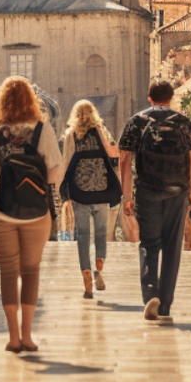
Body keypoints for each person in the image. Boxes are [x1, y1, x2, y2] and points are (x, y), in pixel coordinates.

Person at [0, 76, 63, 352]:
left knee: (9, 272)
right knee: (31, 270)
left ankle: (12, 337)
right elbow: (56, 168)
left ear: (1, 100)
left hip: (0, 209)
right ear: (31, 100)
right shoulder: (42, 128)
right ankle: (27, 336)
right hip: (36, 209)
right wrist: (46, 193)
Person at [118, 80, 191, 325]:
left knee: (149, 243)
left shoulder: (136, 122)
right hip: (177, 192)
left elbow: (125, 162)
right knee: (173, 246)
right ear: (171, 97)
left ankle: (150, 294)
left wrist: (127, 196)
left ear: (149, 97)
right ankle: (165, 302)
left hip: (147, 191)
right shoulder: (184, 123)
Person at [59, 100, 120, 299]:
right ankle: (99, 264)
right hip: (101, 189)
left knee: (83, 235)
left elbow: (67, 162)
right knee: (101, 232)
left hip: (80, 192)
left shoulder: (70, 135)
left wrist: (65, 191)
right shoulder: (101, 131)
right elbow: (113, 155)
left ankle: (86, 274)